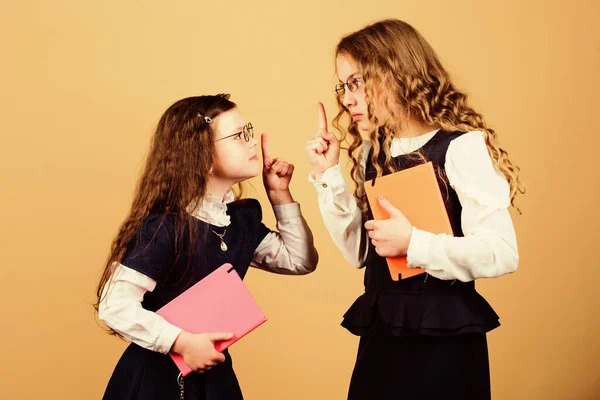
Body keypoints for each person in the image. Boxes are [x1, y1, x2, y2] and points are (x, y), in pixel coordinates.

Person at [305, 19, 522, 399]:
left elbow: (501, 253)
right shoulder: (375, 152)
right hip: (383, 335)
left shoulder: (460, 148)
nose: (347, 99)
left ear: (395, 73)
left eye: (356, 82)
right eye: (344, 86)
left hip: (443, 342)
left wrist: (414, 244)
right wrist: (329, 176)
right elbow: (360, 253)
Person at [96, 94, 318, 399]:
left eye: (248, 132)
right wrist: (181, 342)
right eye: (239, 136)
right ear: (201, 155)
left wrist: (280, 194)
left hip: (213, 378)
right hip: (156, 382)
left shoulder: (238, 221)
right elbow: (114, 305)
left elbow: (300, 260)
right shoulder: (164, 227)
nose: (252, 142)